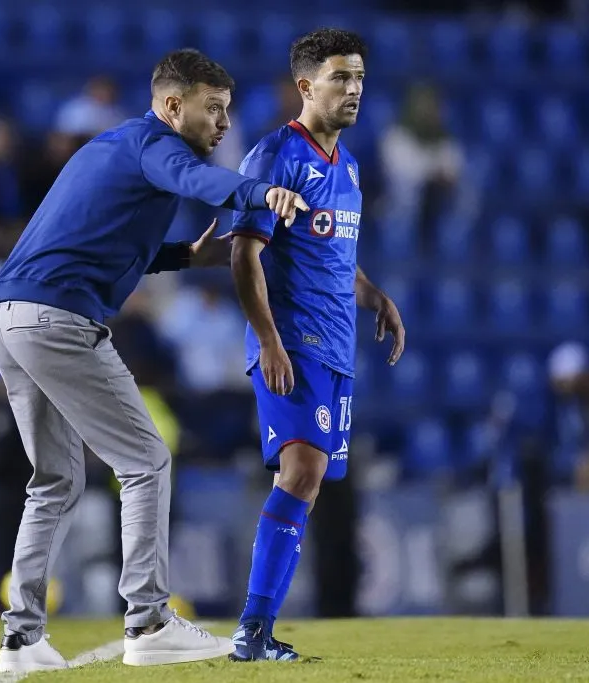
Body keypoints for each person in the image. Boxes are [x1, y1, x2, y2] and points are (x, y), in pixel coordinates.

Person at [0, 48, 310, 673]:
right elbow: (196, 181)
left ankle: (21, 640)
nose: (223, 122)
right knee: (147, 460)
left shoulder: (114, 147)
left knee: (54, 481)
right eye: (213, 108)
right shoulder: (156, 145)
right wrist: (261, 191)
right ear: (172, 105)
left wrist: (185, 256)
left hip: (10, 316)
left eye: (227, 110)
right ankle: (149, 621)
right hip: (58, 319)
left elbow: (100, 242)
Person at [228, 29, 405, 661]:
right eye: (340, 78)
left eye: (358, 78)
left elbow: (335, 258)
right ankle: (252, 630)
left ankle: (258, 629)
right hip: (291, 341)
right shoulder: (274, 155)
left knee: (311, 481)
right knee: (301, 471)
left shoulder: (349, 168)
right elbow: (244, 254)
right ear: (305, 85)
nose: (354, 89)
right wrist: (269, 341)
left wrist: (374, 295)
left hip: (336, 348)